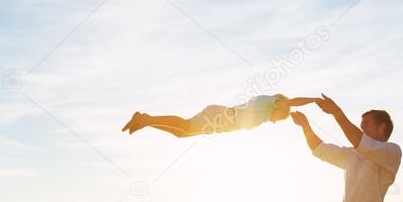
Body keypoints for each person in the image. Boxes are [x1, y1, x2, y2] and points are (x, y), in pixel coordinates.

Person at [122, 94, 319, 137]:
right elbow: (291, 101)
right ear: (279, 107)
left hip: (221, 121)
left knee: (182, 132)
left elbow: (282, 110)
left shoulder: (266, 113)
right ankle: (146, 119)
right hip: (222, 117)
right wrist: (314, 100)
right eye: (280, 117)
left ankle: (145, 121)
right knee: (185, 127)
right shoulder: (268, 102)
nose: (276, 122)